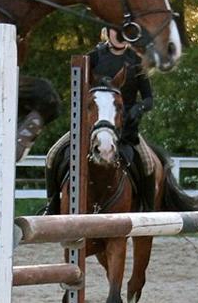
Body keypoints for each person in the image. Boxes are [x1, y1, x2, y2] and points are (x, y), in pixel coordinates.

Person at [42, 30, 153, 215]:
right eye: (114, 29)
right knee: (52, 155)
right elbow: (78, 89)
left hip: (125, 128)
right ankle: (52, 206)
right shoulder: (92, 57)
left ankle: (149, 211)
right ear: (107, 32)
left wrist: (137, 109)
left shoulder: (137, 60)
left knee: (148, 163)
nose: (118, 33)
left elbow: (149, 98)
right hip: (91, 126)